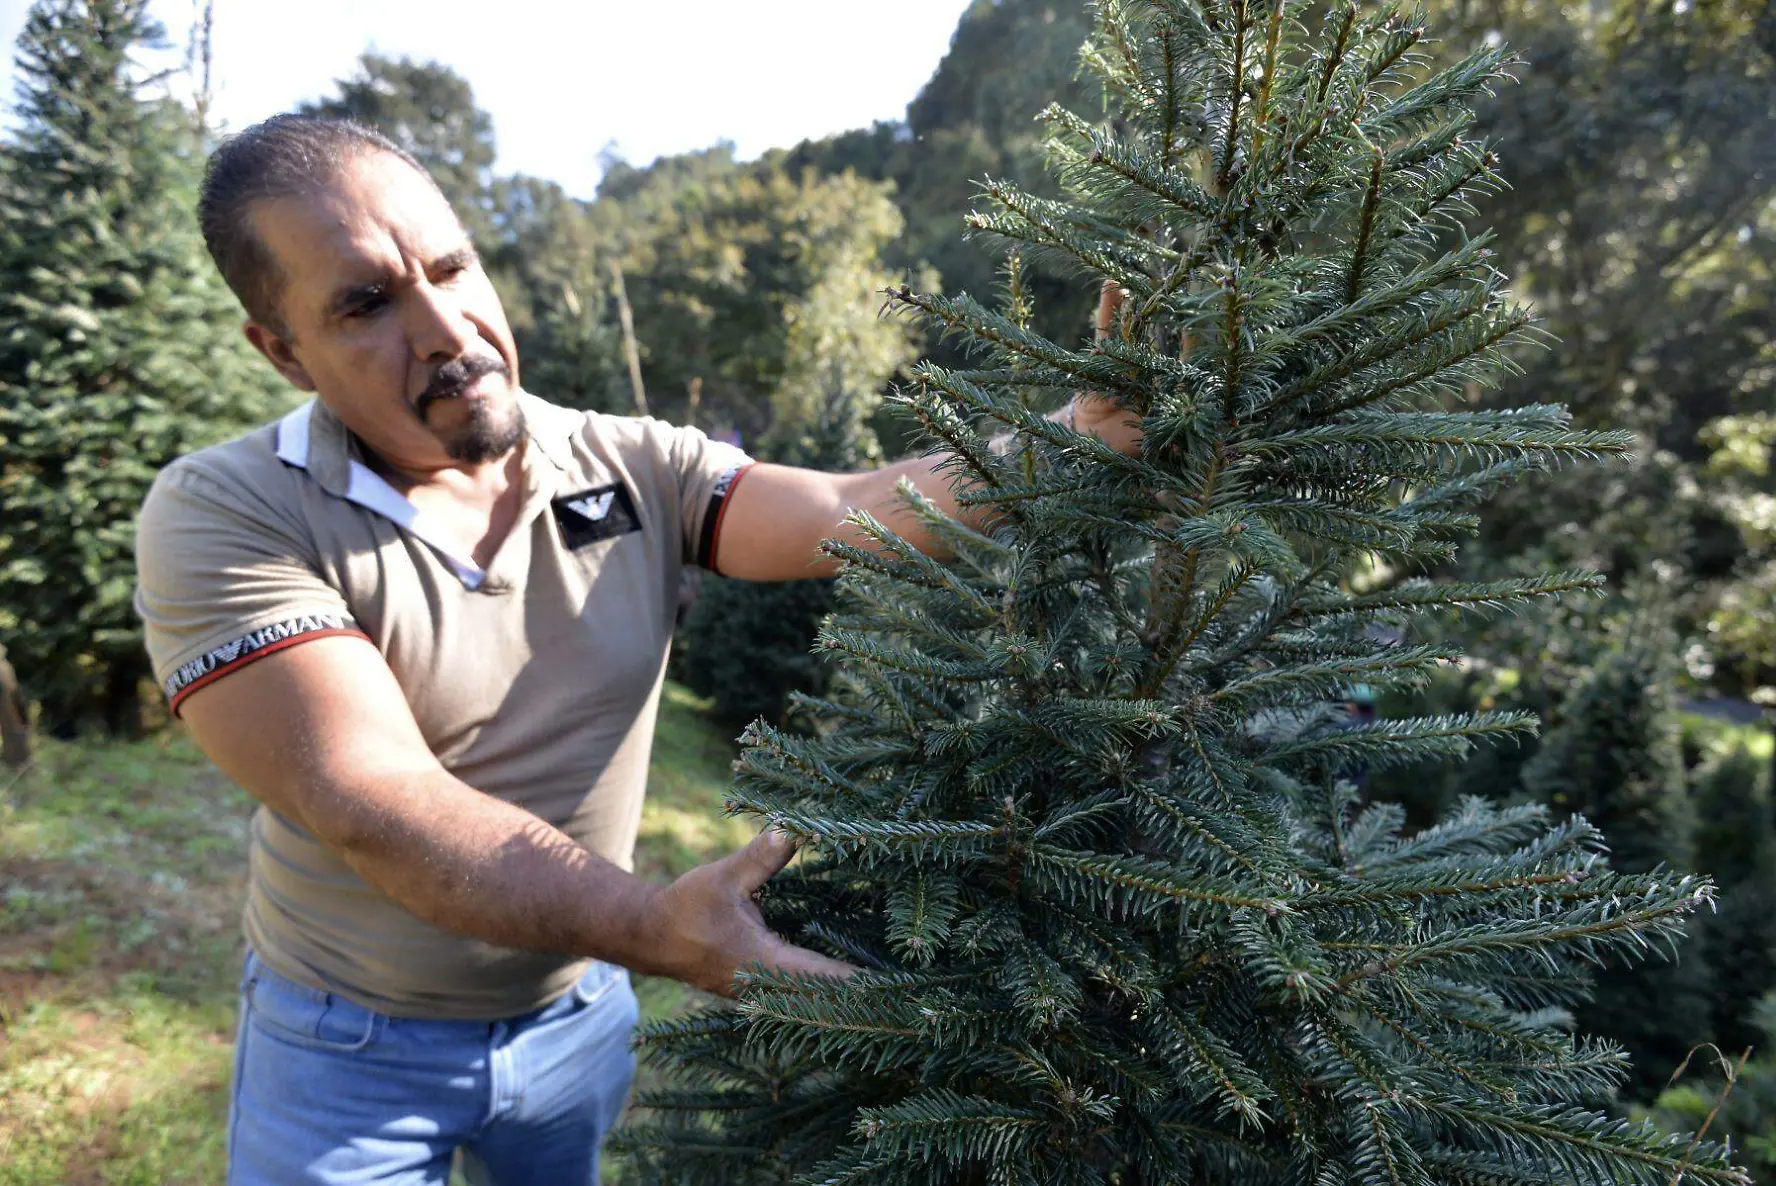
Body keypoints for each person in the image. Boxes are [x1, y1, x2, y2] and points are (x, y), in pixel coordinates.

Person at [133, 114, 1137, 1186]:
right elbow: (378, 802)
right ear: (280, 347)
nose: (445, 327)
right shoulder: (226, 514)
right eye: (368, 302)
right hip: (347, 1053)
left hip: (575, 1023)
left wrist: (1074, 434)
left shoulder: (627, 463)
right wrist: (657, 929)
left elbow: (849, 510)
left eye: (452, 265)